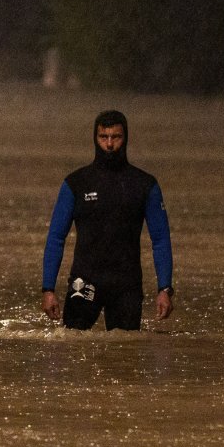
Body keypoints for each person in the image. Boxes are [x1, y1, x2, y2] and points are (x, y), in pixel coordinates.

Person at [40, 109, 173, 330]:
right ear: (95, 138)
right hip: (84, 282)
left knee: (124, 354)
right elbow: (56, 237)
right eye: (104, 137)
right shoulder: (76, 183)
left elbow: (160, 240)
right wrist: (48, 289)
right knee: (71, 347)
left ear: (126, 138)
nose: (109, 144)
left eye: (116, 137)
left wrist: (165, 289)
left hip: (126, 285)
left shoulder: (144, 185)